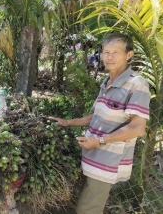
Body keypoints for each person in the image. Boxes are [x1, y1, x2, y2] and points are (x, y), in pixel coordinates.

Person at [51, 32, 150, 214]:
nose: (109, 57)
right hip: (91, 154)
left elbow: (137, 127)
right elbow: (96, 116)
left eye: (116, 52)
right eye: (106, 52)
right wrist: (67, 122)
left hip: (107, 162)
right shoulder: (106, 82)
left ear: (129, 55)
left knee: (87, 209)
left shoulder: (137, 84)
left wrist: (100, 141)